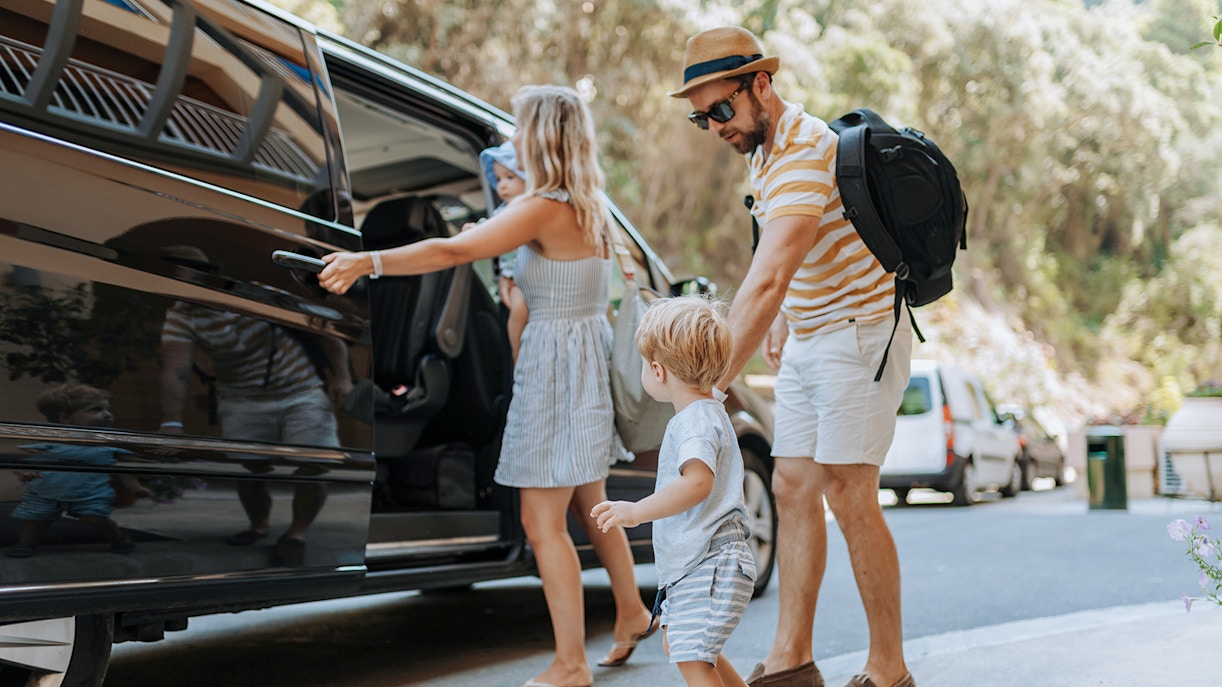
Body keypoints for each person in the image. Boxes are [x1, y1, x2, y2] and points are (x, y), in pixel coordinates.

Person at [319, 84, 656, 687]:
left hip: (555, 369)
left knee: (539, 520)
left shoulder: (541, 206)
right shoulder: (587, 204)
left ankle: (571, 662)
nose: (513, 138)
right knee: (591, 501)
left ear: (543, 136)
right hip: (582, 362)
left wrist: (367, 261)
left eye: (520, 127)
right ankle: (631, 611)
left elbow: (451, 250)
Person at [670, 27, 915, 687]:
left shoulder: (805, 149)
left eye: (722, 108)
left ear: (762, 86)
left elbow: (768, 274)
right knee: (791, 487)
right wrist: (781, 318)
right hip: (811, 335)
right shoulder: (764, 153)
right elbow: (783, 256)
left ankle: (889, 667)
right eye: (702, 117)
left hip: (860, 332)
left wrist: (709, 380)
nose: (715, 125)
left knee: (848, 488)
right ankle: (791, 659)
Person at [591, 294, 756, 687]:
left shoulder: (694, 421)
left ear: (658, 371)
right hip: (704, 562)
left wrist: (637, 511)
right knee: (689, 650)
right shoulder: (708, 409)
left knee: (692, 658)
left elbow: (698, 482)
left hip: (711, 562)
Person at [158, 246, 352, 567]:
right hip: (241, 396)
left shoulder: (255, 293)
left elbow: (322, 329)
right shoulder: (181, 314)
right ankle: (258, 525)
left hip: (300, 389)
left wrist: (342, 376)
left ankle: (296, 534)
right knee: (250, 468)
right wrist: (171, 423)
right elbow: (175, 369)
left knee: (313, 463)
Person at [5, 383, 150, 558]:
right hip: (46, 492)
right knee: (36, 521)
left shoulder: (109, 442)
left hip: (90, 493)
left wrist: (135, 488)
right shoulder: (49, 442)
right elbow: (25, 462)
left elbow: (123, 469)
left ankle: (118, 537)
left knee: (95, 518)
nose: (107, 415)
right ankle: (26, 544)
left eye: (107, 409)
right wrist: (25, 474)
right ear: (65, 417)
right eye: (96, 410)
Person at [478, 140, 531, 364]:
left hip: (527, 279)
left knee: (519, 309)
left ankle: (519, 356)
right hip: (513, 277)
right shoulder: (503, 212)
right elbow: (490, 229)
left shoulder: (528, 210)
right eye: (498, 179)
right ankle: (516, 356)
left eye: (510, 178)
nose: (502, 186)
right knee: (515, 311)